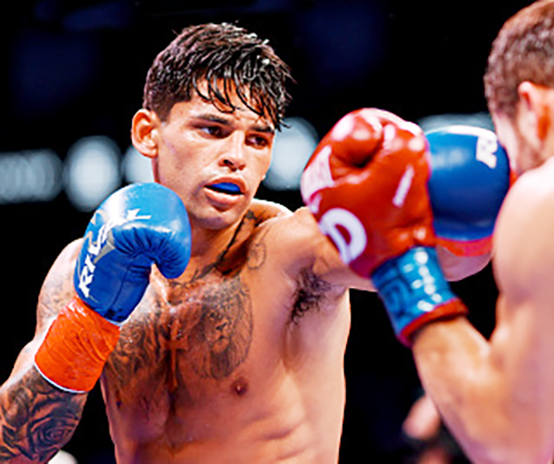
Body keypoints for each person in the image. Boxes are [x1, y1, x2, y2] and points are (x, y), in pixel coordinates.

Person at [0, 22, 510, 464]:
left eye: (258, 139)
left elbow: (453, 262)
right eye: (212, 129)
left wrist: (441, 195)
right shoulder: (82, 266)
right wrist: (89, 319)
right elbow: (16, 448)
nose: (237, 157)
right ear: (147, 133)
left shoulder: (291, 250)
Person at [301, 1, 554, 463]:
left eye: (516, 157)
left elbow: (513, 445)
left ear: (532, 110)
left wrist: (401, 267)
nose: (518, 177)